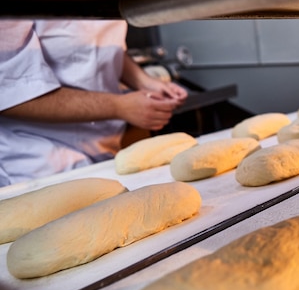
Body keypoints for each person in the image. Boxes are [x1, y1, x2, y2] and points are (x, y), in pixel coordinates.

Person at [0, 20, 188, 187]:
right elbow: (11, 94)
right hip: (38, 162)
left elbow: (107, 47)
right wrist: (120, 106)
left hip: (105, 151)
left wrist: (146, 82)